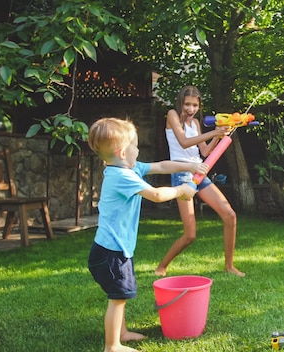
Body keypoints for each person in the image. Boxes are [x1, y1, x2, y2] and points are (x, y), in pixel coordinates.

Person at [87, 117, 209, 352]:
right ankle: (112, 345)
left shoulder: (128, 168)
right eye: (135, 146)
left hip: (115, 249)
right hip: (111, 253)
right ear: (123, 152)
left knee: (118, 294)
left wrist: (190, 166)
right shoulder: (122, 177)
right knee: (117, 297)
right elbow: (155, 195)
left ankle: (121, 333)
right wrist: (181, 190)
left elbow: (163, 166)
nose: (138, 150)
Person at [155, 86, 245, 277]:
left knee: (230, 215)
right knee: (190, 235)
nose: (191, 108)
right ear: (180, 102)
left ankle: (229, 266)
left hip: (199, 172)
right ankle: (161, 267)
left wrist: (219, 135)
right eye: (187, 104)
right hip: (181, 174)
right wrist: (213, 133)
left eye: (195, 105)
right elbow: (184, 142)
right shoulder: (172, 115)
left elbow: (204, 152)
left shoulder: (195, 123)